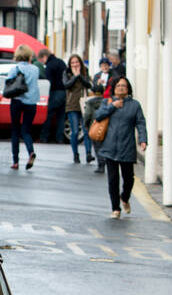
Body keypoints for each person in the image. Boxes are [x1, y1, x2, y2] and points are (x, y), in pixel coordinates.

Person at [93, 77, 148, 219]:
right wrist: (113, 106)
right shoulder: (107, 102)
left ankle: (125, 197)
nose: (121, 88)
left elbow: (140, 123)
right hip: (110, 147)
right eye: (118, 86)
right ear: (114, 88)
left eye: (124, 86)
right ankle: (115, 208)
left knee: (129, 179)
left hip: (127, 147)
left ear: (128, 88)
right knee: (113, 180)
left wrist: (143, 139)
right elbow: (98, 116)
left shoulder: (135, 105)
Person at [6, 44, 40, 170]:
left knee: (15, 130)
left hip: (17, 100)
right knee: (26, 130)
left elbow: (8, 82)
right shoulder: (35, 69)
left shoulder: (15, 68)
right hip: (31, 102)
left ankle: (15, 161)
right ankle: (31, 151)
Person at [63, 54, 94, 164]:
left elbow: (89, 85)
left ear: (80, 63)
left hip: (84, 104)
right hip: (72, 105)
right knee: (75, 131)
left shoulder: (85, 72)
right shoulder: (67, 73)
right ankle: (76, 154)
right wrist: (75, 77)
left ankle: (89, 153)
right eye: (73, 63)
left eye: (77, 62)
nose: (75, 65)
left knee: (87, 131)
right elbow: (66, 85)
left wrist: (80, 75)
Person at [37, 47, 66, 144]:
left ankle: (44, 136)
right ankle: (60, 138)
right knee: (61, 116)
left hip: (55, 92)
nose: (42, 62)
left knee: (48, 115)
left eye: (41, 60)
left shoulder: (49, 66)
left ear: (44, 57)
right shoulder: (61, 62)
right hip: (64, 92)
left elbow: (49, 82)